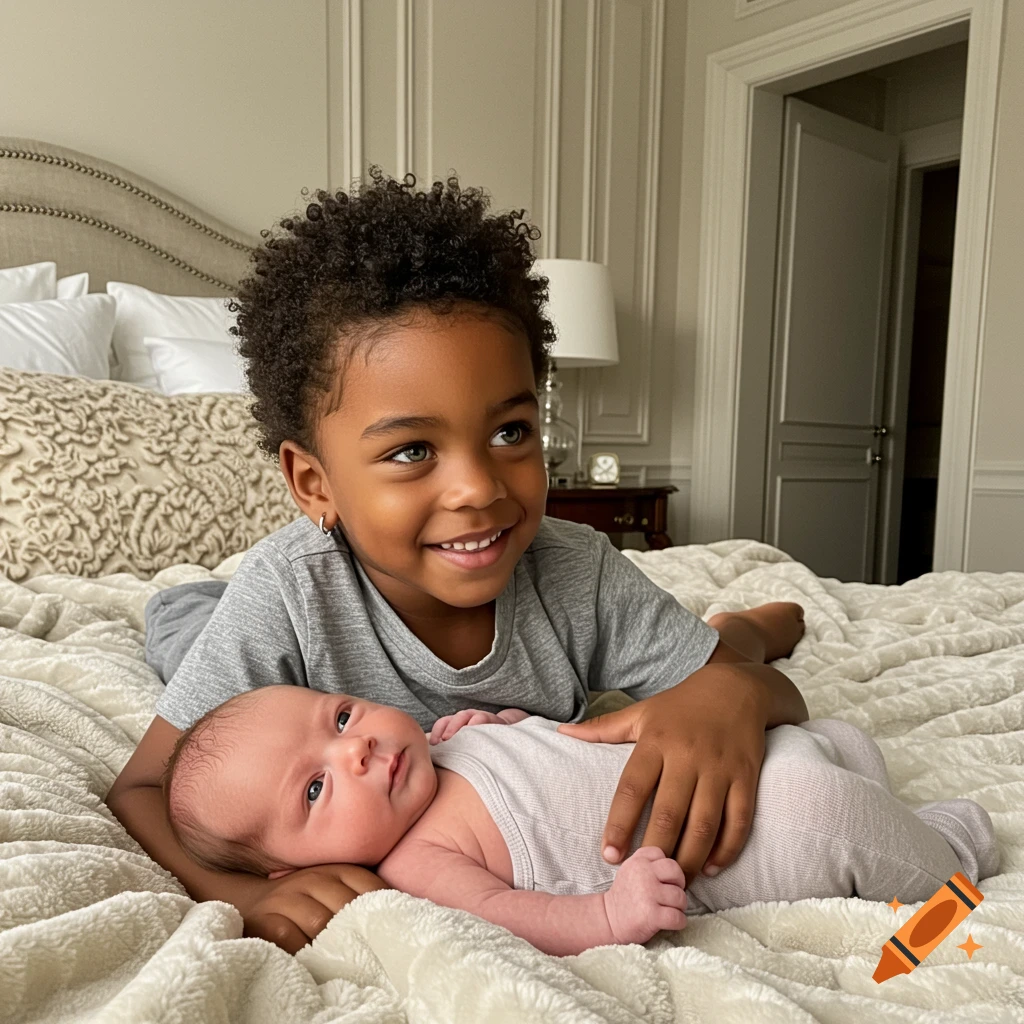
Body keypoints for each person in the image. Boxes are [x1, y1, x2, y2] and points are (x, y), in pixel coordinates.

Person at [107, 168, 813, 954]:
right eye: (412, 450)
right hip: (236, 620)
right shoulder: (288, 589)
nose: (479, 489)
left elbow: (767, 696)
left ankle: (742, 626)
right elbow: (143, 787)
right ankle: (180, 604)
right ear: (314, 483)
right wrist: (247, 893)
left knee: (713, 662)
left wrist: (732, 686)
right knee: (187, 641)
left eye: (510, 432)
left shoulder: (575, 568)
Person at [162, 685, 999, 957]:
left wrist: (498, 726)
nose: (356, 751)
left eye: (342, 716)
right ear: (292, 867)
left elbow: (551, 758)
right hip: (733, 839)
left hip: (724, 758)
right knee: (827, 813)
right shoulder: (417, 863)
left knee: (839, 742)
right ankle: (953, 856)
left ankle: (893, 818)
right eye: (314, 791)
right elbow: (510, 915)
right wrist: (606, 915)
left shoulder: (445, 744)